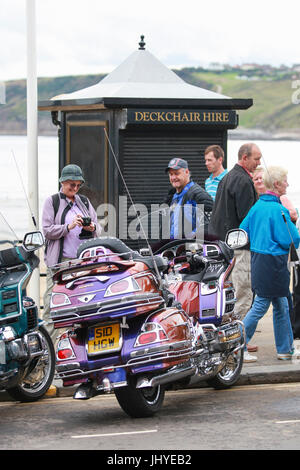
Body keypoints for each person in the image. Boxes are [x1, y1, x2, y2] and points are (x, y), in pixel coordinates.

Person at [240, 166, 300, 362]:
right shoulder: (279, 209)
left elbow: (242, 230)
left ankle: (285, 349)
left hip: (259, 260)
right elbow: (293, 239)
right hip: (275, 264)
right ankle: (238, 346)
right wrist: (292, 217)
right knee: (261, 306)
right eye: (285, 181)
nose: (287, 184)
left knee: (281, 305)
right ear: (276, 184)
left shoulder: (256, 207)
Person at [42, 164, 99, 344]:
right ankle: (48, 354)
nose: (74, 188)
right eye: (71, 185)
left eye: (77, 185)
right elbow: (47, 230)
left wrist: (90, 227)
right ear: (62, 182)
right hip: (60, 263)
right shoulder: (52, 202)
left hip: (82, 264)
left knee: (82, 305)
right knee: (53, 307)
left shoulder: (84, 202)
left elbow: (98, 228)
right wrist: (69, 226)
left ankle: (76, 349)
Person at [209, 143, 262, 326]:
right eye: (256, 159)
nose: (259, 162)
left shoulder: (227, 177)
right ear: (244, 158)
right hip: (240, 248)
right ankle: (241, 341)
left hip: (224, 246)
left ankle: (228, 335)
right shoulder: (244, 181)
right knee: (243, 296)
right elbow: (246, 217)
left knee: (228, 295)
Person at [164, 158, 213, 240]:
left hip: (189, 249)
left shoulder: (198, 195)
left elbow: (208, 225)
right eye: (171, 174)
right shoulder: (172, 196)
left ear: (186, 172)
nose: (173, 177)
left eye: (176, 173)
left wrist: (189, 240)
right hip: (172, 248)